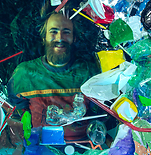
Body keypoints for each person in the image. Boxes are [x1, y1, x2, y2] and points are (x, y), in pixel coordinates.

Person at [7, 11, 101, 141]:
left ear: (74, 38)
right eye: (53, 31)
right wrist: (25, 115)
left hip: (84, 146)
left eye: (66, 32)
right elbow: (15, 104)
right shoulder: (24, 73)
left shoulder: (88, 72)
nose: (59, 38)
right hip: (40, 148)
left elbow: (99, 110)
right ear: (43, 36)